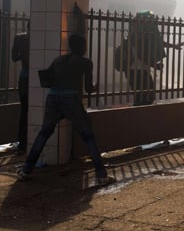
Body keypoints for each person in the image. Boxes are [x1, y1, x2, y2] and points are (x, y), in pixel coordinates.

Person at [16, 34, 115, 186]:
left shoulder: (58, 60)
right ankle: (101, 175)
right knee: (88, 136)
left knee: (44, 133)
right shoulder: (85, 62)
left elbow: (47, 79)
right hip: (71, 100)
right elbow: (88, 89)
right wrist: (95, 87)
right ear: (83, 46)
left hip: (53, 98)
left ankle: (26, 170)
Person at [125, 10, 183, 106]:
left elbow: (158, 43)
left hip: (141, 71)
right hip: (136, 72)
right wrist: (154, 65)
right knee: (144, 97)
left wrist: (173, 46)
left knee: (145, 96)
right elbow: (140, 55)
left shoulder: (142, 35)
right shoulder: (136, 37)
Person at [11, 21, 30, 154]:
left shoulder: (20, 38)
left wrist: (23, 53)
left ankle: (22, 144)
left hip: (24, 77)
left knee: (24, 112)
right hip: (37, 78)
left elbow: (14, 57)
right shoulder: (38, 39)